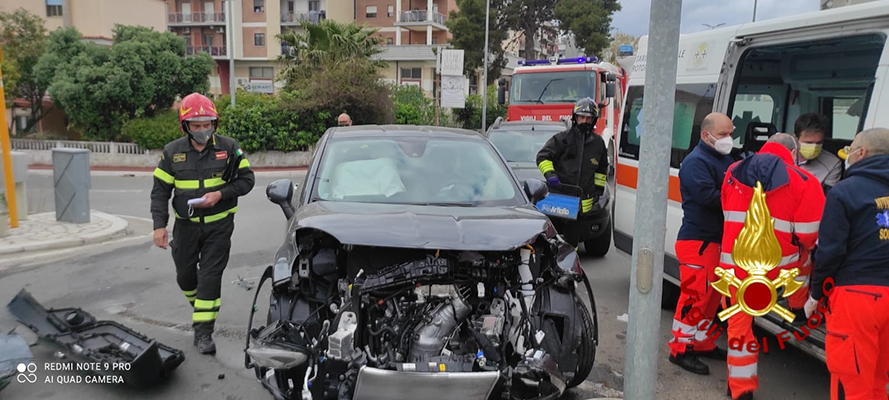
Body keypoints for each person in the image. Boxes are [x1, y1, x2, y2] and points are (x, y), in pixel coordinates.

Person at [720, 133, 824, 400]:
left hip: (735, 268)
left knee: (739, 329)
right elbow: (810, 238)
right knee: (805, 260)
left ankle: (741, 390)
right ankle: (799, 307)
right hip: (779, 272)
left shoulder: (733, 171)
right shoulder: (805, 181)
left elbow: (726, 209)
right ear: (794, 152)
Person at [150, 93, 255, 355]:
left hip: (219, 226)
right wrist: (159, 226)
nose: (202, 130)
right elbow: (160, 191)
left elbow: (247, 180)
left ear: (214, 123)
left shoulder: (229, 148)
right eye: (196, 126)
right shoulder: (172, 152)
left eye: (206, 124)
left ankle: (203, 332)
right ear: (185, 126)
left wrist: (221, 194)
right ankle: (203, 309)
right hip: (186, 226)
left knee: (209, 277)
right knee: (185, 277)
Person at [807, 128, 889, 400]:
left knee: (851, 381)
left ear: (862, 153)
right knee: (878, 378)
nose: (848, 154)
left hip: (857, 297)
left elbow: (830, 252)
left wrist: (816, 293)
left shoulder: (845, 191)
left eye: (851, 148)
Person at [667, 112, 735, 375]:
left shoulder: (722, 158)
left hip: (715, 241)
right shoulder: (696, 163)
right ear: (706, 135)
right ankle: (679, 349)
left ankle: (702, 341)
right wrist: (741, 196)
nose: (728, 139)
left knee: (712, 298)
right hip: (699, 242)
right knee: (694, 297)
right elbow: (710, 197)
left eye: (730, 133)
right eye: (723, 134)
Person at [535, 97, 608, 248]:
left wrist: (598, 191)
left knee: (572, 243)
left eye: (589, 118)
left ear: (594, 120)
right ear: (575, 118)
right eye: (582, 117)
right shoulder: (562, 139)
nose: (585, 121)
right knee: (550, 240)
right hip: (558, 200)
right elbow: (542, 157)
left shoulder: (598, 144)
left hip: (581, 205)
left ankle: (569, 268)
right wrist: (550, 175)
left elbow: (601, 170)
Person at [793, 113, 843, 192]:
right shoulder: (781, 157)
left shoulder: (832, 163)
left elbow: (828, 197)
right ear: (795, 138)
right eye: (809, 143)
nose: (814, 147)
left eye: (819, 143)